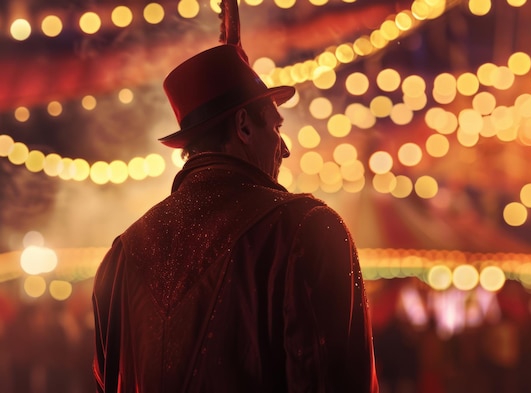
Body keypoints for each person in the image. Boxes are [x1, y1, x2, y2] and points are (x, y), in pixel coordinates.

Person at [92, 43, 378, 392]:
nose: (284, 149)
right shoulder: (307, 229)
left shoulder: (120, 257)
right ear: (243, 126)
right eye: (275, 128)